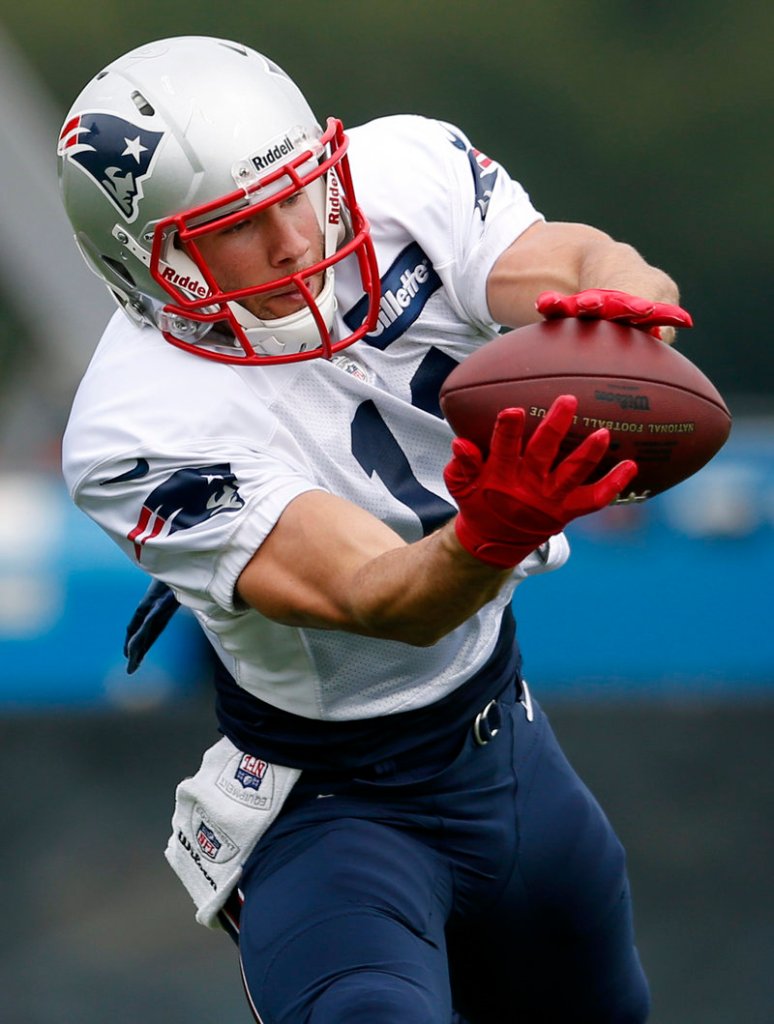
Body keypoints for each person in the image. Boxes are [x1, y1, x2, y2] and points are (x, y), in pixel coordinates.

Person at [57, 35, 692, 1024]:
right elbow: (380, 597)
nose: (294, 241)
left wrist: (631, 307)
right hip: (336, 811)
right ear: (154, 263)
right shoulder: (138, 425)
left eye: (298, 190)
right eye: (238, 225)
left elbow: (568, 263)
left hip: (514, 754)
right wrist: (489, 534)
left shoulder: (402, 175)